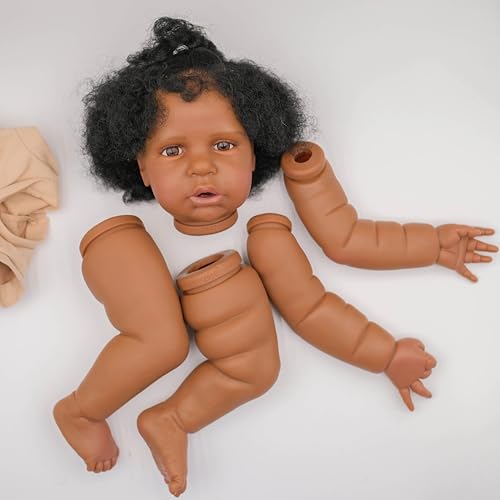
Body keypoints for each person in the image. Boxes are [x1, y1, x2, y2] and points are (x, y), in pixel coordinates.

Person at [53, 17, 496, 497]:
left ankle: (173, 419)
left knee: (259, 369)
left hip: (221, 307)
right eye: (172, 150)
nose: (201, 166)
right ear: (141, 166)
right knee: (164, 343)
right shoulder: (144, 225)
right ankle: (80, 411)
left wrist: (392, 337)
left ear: (254, 151)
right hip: (121, 245)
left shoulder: (268, 228)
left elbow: (338, 257)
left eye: (224, 145)